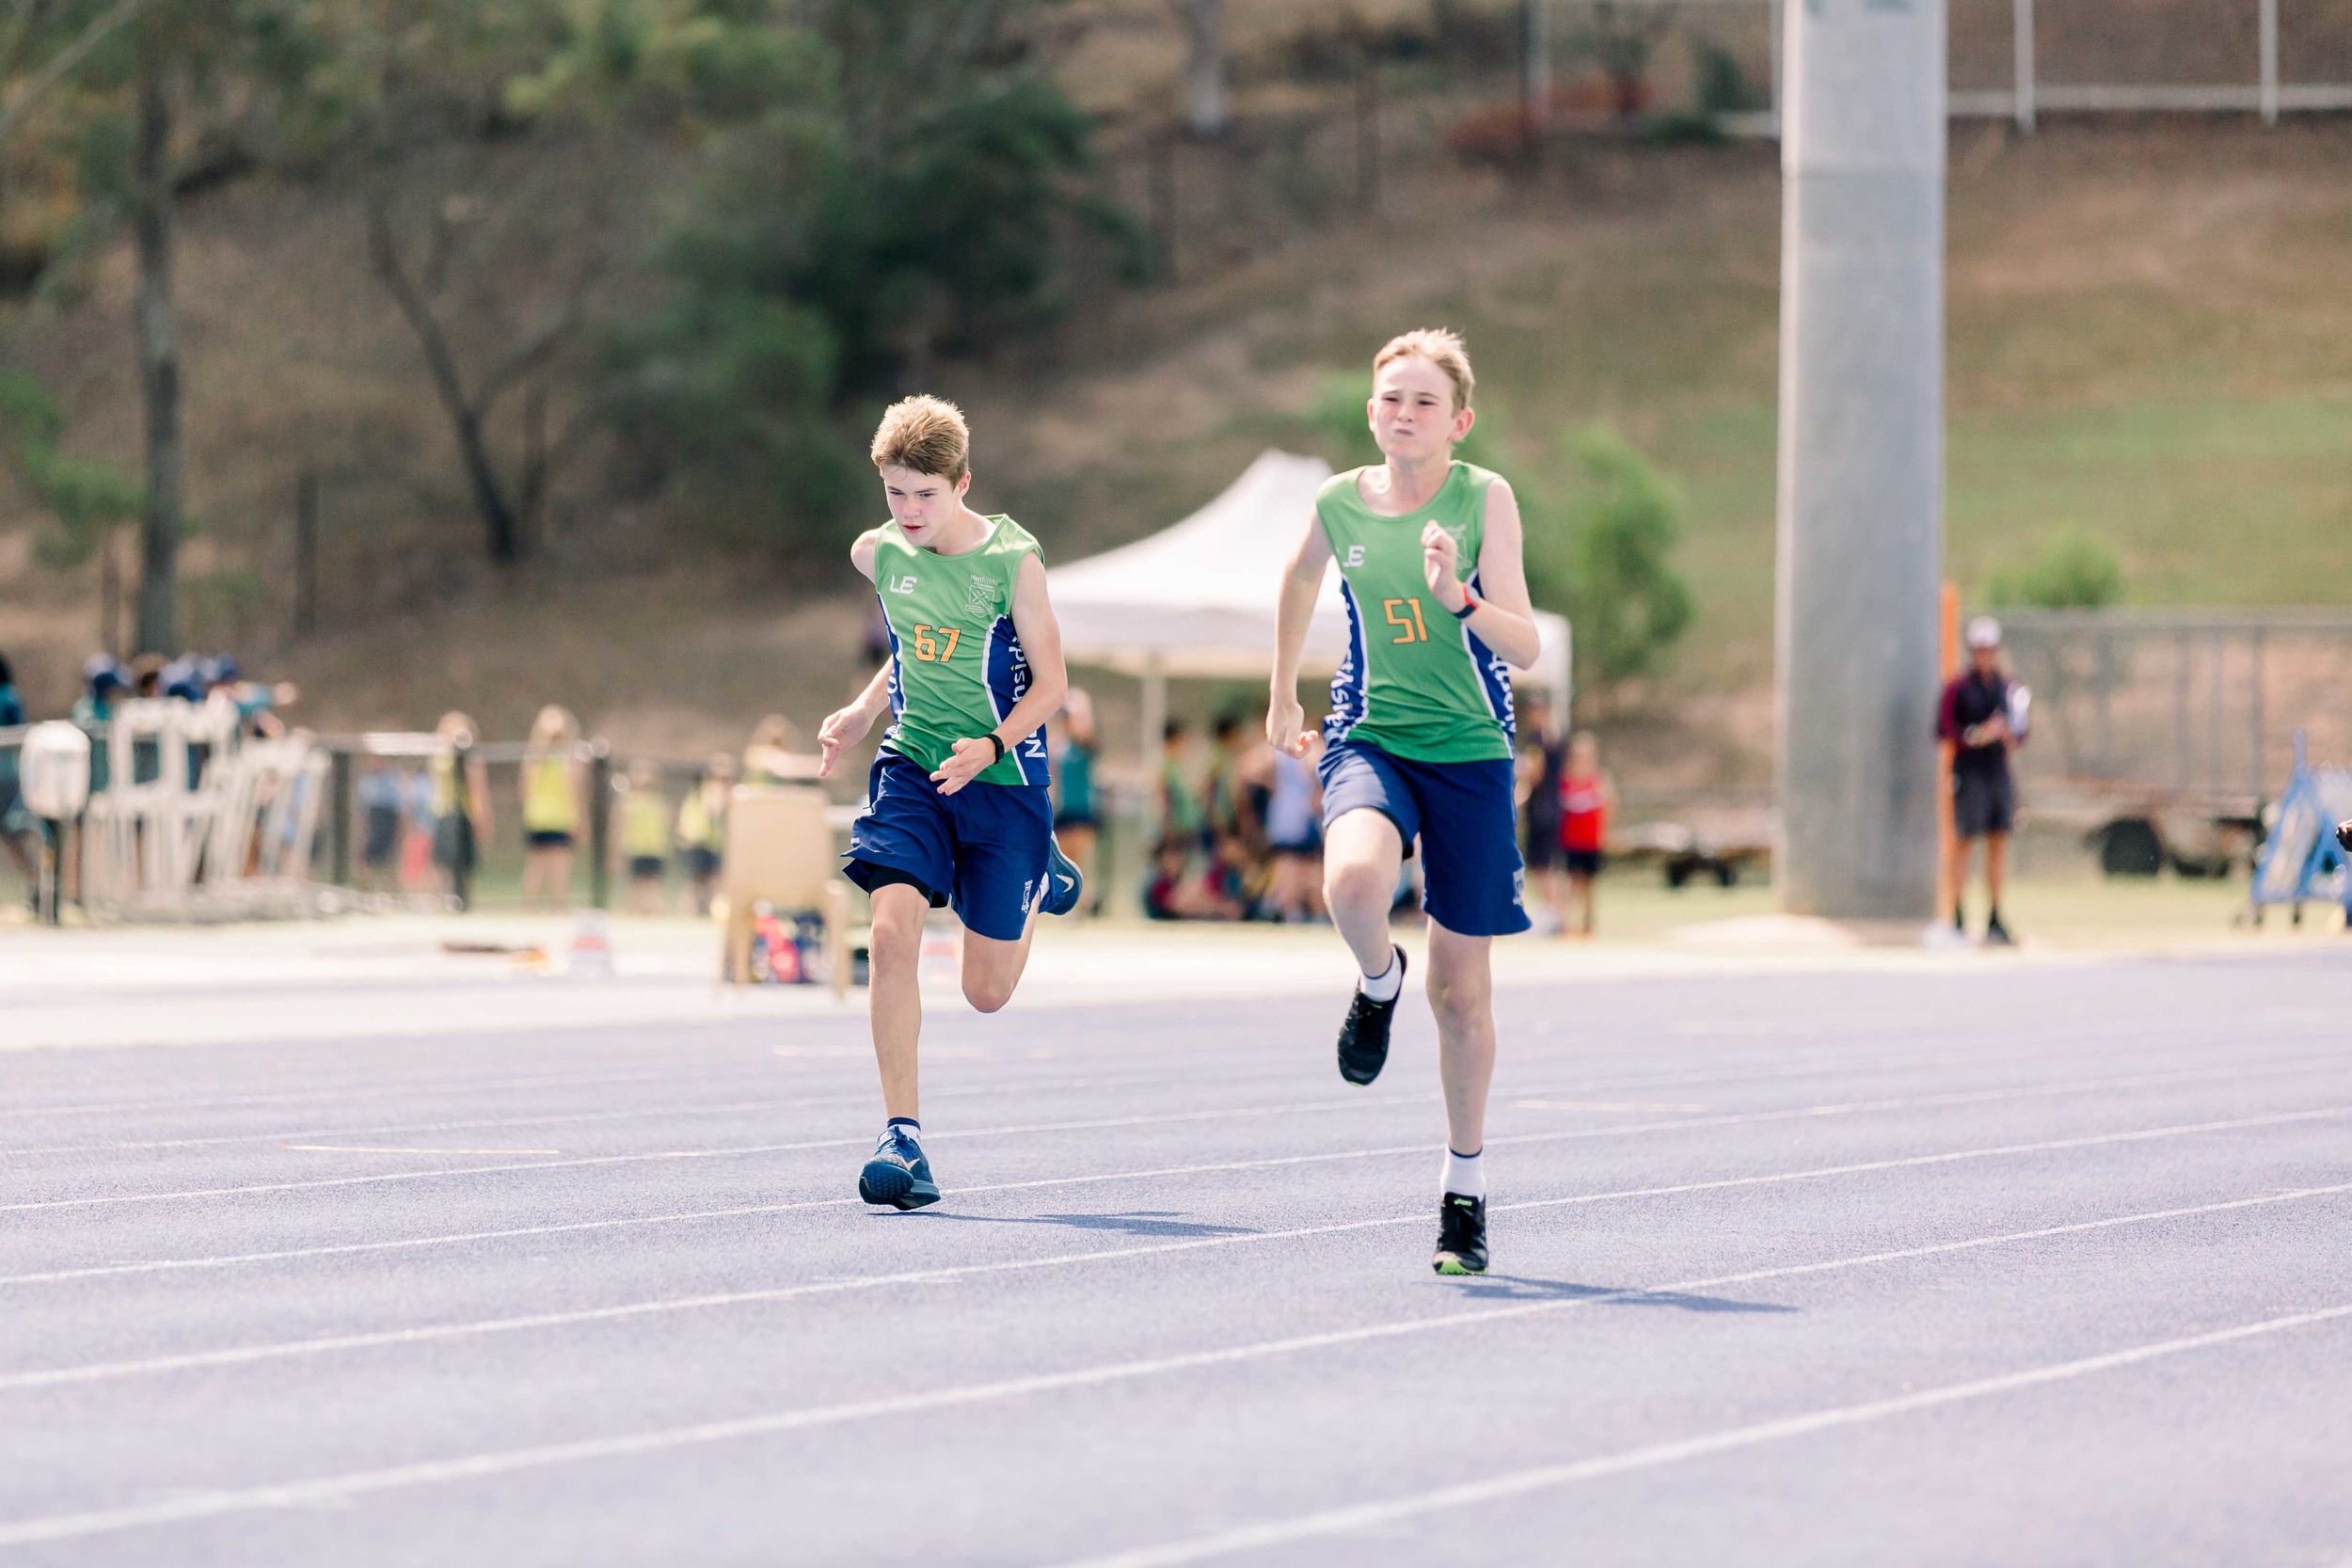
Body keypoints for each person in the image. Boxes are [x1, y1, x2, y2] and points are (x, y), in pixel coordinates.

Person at [1266, 327, 1544, 1276]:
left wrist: (1459, 596)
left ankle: (1463, 1190)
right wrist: (1281, 693)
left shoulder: (1484, 497)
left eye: (1425, 401)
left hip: (1470, 754)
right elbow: (1299, 575)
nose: (1405, 413)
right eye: (1391, 398)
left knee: (1460, 994)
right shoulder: (1338, 501)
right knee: (1350, 883)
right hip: (1370, 734)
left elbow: (1525, 645)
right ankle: (1376, 978)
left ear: (1458, 422)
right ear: (1370, 412)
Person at [816, 394, 1084, 1211]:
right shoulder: (879, 554)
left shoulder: (1013, 562)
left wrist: (994, 745)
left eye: (926, 494)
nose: (909, 511)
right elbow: (911, 647)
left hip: (1001, 779)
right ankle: (901, 1135)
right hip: (915, 767)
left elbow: (1053, 684)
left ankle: (1040, 869)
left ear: (963, 483)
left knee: (985, 992)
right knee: (889, 933)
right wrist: (864, 711)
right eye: (895, 492)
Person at [1937, 615, 2027, 945]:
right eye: (1980, 649)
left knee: (1998, 843)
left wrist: (2006, 735)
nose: (1985, 655)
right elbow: (1945, 730)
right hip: (1970, 773)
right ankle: (1957, 915)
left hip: (1997, 773)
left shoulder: (2007, 688)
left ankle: (1994, 916)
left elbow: (2020, 732)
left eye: (1990, 649)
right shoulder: (1958, 688)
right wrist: (1978, 735)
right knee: (1964, 843)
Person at [518, 705, 583, 911]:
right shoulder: (539, 759)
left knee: (552, 865)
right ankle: (541, 906)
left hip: (553, 817)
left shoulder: (563, 759)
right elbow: (527, 786)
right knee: (546, 865)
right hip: (547, 817)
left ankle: (552, 905)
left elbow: (574, 790)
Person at [429, 711, 492, 910]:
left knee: (465, 863)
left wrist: (481, 815)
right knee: (444, 860)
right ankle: (446, 900)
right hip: (444, 812)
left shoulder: (470, 755)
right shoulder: (441, 755)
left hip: (465, 812)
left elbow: (478, 787)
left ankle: (463, 901)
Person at [1516, 695, 1567, 935]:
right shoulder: (1556, 737)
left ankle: (1554, 913)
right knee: (1548, 864)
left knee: (1541, 865)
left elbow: (1535, 774)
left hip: (1542, 809)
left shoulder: (1539, 739)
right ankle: (1555, 912)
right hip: (1553, 807)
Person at [1048, 689, 1102, 917]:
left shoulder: (1083, 744)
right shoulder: (1058, 746)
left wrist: (1079, 708)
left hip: (1083, 810)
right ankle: (1080, 903)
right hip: (1064, 809)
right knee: (1065, 859)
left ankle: (1084, 904)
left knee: (1079, 859)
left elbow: (1086, 732)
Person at [1557, 731, 1613, 939]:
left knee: (1589, 883)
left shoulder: (1600, 778)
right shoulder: (1565, 776)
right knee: (1571, 882)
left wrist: (1605, 833)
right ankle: (1565, 923)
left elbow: (1609, 805)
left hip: (1591, 840)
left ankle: (1588, 924)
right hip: (1571, 839)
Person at [675, 752, 733, 916]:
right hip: (699, 841)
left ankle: (708, 909)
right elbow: (707, 812)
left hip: (716, 843)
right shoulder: (701, 792)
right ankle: (691, 910)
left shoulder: (730, 792)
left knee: (713, 880)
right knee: (696, 881)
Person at [0, 653, 35, 905]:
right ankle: (37, 884)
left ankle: (38, 886)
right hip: (9, 774)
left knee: (14, 831)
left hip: (6, 775)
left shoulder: (8, 697)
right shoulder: (11, 696)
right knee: (14, 833)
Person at [618, 759, 673, 915]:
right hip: (635, 848)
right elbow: (621, 826)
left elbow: (668, 823)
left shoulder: (660, 801)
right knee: (635, 883)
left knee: (654, 884)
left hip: (655, 849)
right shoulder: (629, 800)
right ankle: (633, 911)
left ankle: (653, 911)